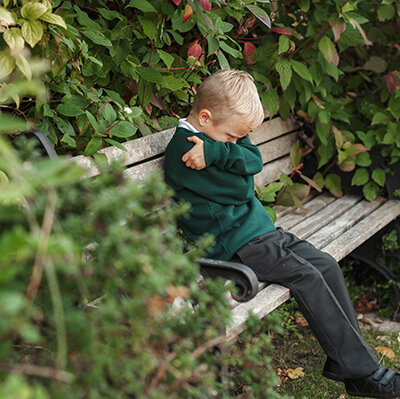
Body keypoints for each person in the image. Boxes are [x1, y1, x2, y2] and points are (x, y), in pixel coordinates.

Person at [164, 69, 400, 398]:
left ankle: (350, 366)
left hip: (259, 232)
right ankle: (366, 374)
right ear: (205, 117)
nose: (236, 143)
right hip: (234, 244)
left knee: (326, 265)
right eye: (231, 137)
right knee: (307, 277)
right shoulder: (183, 151)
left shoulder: (217, 136)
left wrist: (220, 151)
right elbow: (241, 188)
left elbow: (254, 161)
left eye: (237, 138)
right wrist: (231, 158)